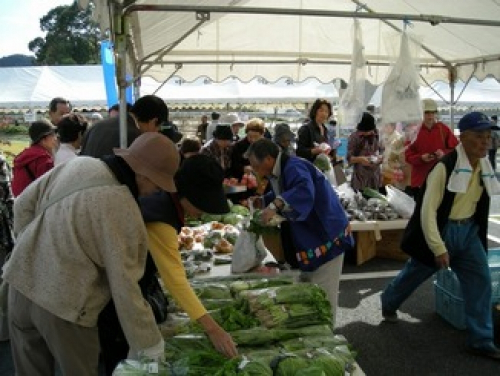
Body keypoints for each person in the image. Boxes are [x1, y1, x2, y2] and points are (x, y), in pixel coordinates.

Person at [3, 133, 181, 375]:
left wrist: (34, 247)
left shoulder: (80, 163)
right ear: (143, 173)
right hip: (66, 303)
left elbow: (22, 204)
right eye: (158, 185)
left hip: (20, 286)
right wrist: (148, 342)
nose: (156, 192)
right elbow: (125, 285)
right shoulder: (123, 207)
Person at [381, 112, 500, 360]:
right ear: (463, 137)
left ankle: (481, 339)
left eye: (489, 137)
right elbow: (427, 212)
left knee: (480, 283)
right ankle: (389, 301)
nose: (486, 142)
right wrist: (438, 247)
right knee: (414, 274)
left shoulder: (485, 168)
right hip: (442, 231)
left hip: (468, 233)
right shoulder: (444, 167)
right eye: (479, 137)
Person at [246, 138, 353, 327]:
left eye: (256, 165)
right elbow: (282, 192)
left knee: (323, 292)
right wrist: (262, 201)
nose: (255, 170)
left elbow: (303, 191)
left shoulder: (294, 166)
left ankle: (326, 337)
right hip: (314, 233)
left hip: (326, 232)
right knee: (311, 287)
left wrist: (274, 205)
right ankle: (316, 328)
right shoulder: (279, 171)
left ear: (269, 159)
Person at [80, 95, 167, 158]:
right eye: (159, 127)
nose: (157, 132)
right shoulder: (134, 136)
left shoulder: (96, 126)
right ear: (153, 121)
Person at [405, 98, 459, 197]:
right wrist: (421, 158)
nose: (430, 116)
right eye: (427, 113)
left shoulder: (443, 129)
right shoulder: (413, 131)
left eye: (433, 113)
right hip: (420, 180)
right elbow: (407, 156)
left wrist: (444, 153)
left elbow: (455, 149)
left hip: (441, 177)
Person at [11, 120, 58, 196]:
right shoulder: (43, 159)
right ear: (44, 139)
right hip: (34, 204)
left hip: (20, 202)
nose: (56, 138)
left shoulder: (26, 154)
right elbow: (48, 190)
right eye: (52, 135)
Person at [346, 112, 383, 192]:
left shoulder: (377, 134)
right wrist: (361, 159)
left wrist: (379, 158)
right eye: (363, 131)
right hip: (361, 179)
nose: (366, 133)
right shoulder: (354, 137)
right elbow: (349, 158)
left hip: (375, 177)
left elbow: (381, 151)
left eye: (369, 131)